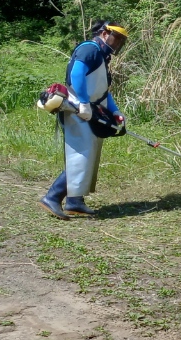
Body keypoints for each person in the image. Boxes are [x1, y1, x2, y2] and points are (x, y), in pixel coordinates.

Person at [40, 20, 129, 219]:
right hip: (76, 108)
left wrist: (114, 111)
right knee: (81, 155)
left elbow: (103, 92)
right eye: (115, 38)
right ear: (104, 33)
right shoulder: (90, 48)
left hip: (90, 108)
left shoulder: (102, 56)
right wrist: (83, 103)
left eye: (121, 41)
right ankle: (52, 197)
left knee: (90, 152)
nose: (117, 45)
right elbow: (77, 74)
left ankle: (74, 201)